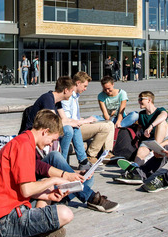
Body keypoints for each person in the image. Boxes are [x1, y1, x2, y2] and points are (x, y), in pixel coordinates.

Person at [25, 77, 119, 213]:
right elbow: (53, 125)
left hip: (41, 158)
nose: (73, 93)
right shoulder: (47, 99)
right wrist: (65, 174)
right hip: (35, 158)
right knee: (58, 154)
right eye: (72, 90)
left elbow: (62, 120)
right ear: (66, 90)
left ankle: (68, 194)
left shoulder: (56, 102)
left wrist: (74, 173)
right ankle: (92, 198)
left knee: (86, 180)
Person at [0, 110, 73, 237]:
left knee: (47, 186)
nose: (51, 144)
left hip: (9, 208)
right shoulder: (24, 146)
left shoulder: (24, 141)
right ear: (45, 131)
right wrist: (55, 179)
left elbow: (22, 189)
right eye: (52, 140)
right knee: (65, 214)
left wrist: (48, 195)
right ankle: (40, 226)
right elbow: (27, 190)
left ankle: (40, 225)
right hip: (3, 221)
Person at [58, 72, 115, 168]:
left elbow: (73, 117)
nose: (85, 89)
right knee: (105, 126)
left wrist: (82, 119)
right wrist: (84, 121)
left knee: (109, 123)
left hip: (76, 125)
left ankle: (107, 153)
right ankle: (90, 156)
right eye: (84, 86)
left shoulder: (75, 96)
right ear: (78, 83)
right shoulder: (68, 96)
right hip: (71, 128)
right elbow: (68, 120)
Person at [114, 91, 168, 184]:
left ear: (149, 100)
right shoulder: (142, 114)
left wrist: (151, 126)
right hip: (148, 141)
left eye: (141, 99)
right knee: (140, 154)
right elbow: (138, 124)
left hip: (162, 140)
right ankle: (134, 168)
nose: (139, 101)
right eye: (138, 99)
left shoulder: (160, 110)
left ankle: (154, 151)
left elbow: (164, 115)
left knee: (162, 123)